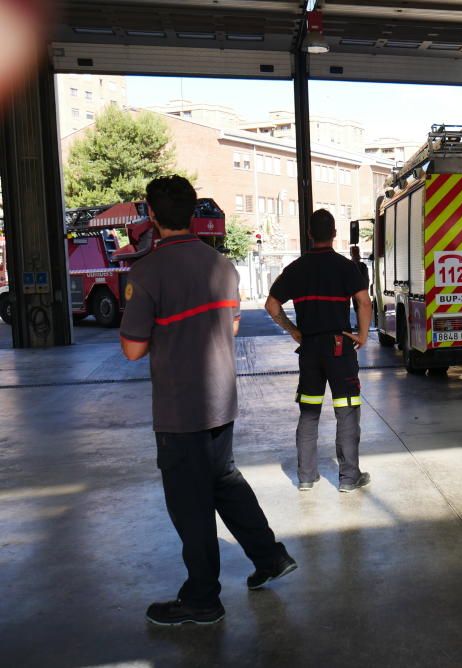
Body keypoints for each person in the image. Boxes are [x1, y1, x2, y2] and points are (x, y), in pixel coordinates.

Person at [120, 175, 296, 627]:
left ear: (152, 217)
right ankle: (269, 556)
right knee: (223, 480)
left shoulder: (147, 272)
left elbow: (133, 349)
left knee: (190, 502)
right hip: (221, 400)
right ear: (194, 212)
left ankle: (202, 598)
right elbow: (233, 326)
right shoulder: (224, 266)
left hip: (180, 409)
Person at [265, 209, 372, 493]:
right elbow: (364, 302)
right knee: (346, 409)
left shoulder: (296, 269)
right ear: (334, 233)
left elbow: (271, 306)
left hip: (310, 349)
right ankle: (349, 478)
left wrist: (293, 330)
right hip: (339, 348)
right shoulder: (346, 267)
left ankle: (306, 477)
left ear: (309, 234)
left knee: (309, 412)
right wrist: (361, 336)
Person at [349, 244, 370, 330]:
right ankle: (362, 326)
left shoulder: (351, 264)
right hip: (362, 289)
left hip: (355, 291)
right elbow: (366, 279)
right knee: (361, 308)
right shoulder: (363, 265)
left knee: (357, 309)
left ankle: (360, 325)